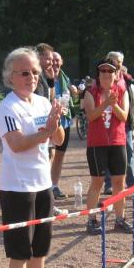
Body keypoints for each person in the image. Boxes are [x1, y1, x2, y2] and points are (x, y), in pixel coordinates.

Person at [0, 47, 66, 268]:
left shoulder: (43, 102)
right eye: (24, 72)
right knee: (19, 250)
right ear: (10, 76)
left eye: (35, 72)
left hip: (42, 183)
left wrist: (54, 124)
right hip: (17, 187)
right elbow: (16, 144)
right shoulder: (7, 107)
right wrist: (46, 131)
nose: (31, 77)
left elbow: (58, 139)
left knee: (40, 246)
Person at [83, 58, 132, 234]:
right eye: (103, 71)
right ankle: (91, 220)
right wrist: (105, 103)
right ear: (98, 74)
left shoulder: (122, 91)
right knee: (97, 181)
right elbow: (91, 116)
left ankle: (120, 219)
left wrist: (114, 104)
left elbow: (124, 116)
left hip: (117, 142)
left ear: (116, 74)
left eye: (110, 71)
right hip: (97, 144)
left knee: (119, 181)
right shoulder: (90, 92)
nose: (106, 74)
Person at [103, 51, 134, 191]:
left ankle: (132, 182)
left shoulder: (127, 80)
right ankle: (109, 184)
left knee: (129, 152)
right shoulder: (103, 78)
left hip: (125, 123)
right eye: (114, 60)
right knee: (108, 154)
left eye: (119, 61)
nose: (117, 63)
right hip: (107, 122)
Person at [49, 51, 77, 201]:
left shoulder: (65, 79)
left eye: (57, 60)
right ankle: (45, 187)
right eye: (52, 60)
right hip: (48, 122)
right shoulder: (43, 78)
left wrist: (74, 93)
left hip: (64, 122)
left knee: (59, 155)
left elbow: (70, 100)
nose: (55, 63)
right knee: (49, 155)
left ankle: (54, 185)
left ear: (62, 62)